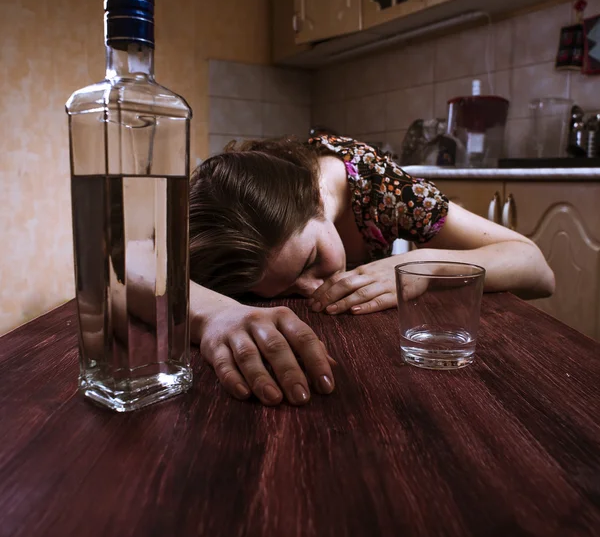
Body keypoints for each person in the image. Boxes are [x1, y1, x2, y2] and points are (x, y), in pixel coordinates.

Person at [188, 134, 555, 407]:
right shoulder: (216, 226)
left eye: (312, 261)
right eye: (284, 289)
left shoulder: (378, 184)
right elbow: (136, 265)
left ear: (317, 198)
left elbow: (538, 270)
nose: (314, 288)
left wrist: (421, 265)